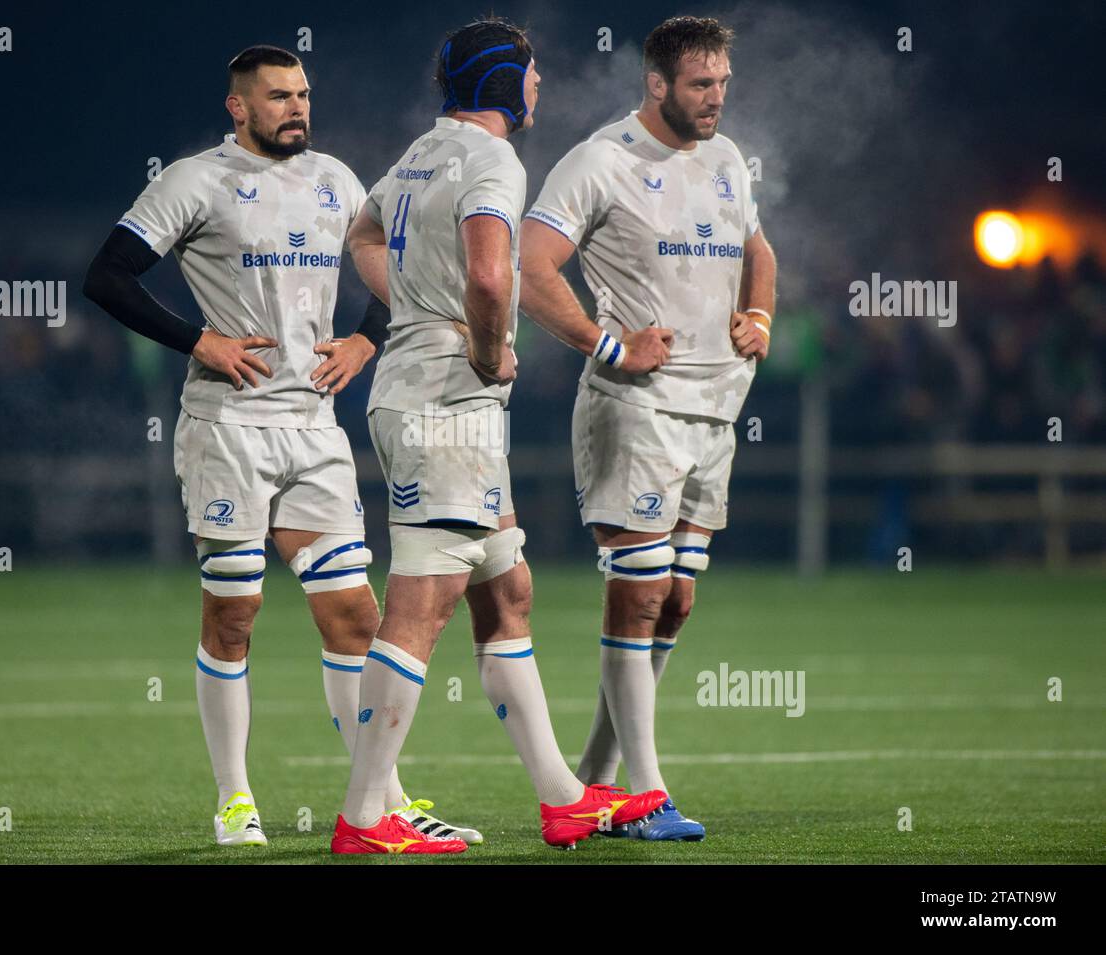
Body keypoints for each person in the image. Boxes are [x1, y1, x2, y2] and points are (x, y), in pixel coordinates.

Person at [83, 44, 479, 848]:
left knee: (356, 619)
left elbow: (395, 269)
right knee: (235, 616)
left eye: (303, 94)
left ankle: (380, 805)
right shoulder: (194, 180)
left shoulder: (335, 179)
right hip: (229, 428)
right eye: (277, 97)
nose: (296, 108)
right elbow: (107, 276)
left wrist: (368, 341)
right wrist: (201, 341)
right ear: (239, 107)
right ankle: (235, 798)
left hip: (314, 429)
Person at [330, 17, 667, 855]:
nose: (540, 81)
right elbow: (490, 275)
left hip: (439, 402)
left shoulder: (417, 153)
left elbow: (363, 236)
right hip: (445, 399)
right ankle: (365, 816)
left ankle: (563, 797)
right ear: (499, 81)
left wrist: (412, 304)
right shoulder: (491, 160)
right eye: (530, 69)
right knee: (421, 605)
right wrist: (486, 346)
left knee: (505, 589)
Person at [519, 16, 777, 841]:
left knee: (675, 603)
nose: (717, 100)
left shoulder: (728, 158)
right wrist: (607, 341)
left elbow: (756, 248)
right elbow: (529, 265)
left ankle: (595, 781)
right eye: (702, 85)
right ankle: (650, 792)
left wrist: (760, 314)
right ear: (656, 84)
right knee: (637, 595)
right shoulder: (601, 161)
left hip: (716, 410)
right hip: (636, 409)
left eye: (725, 84)